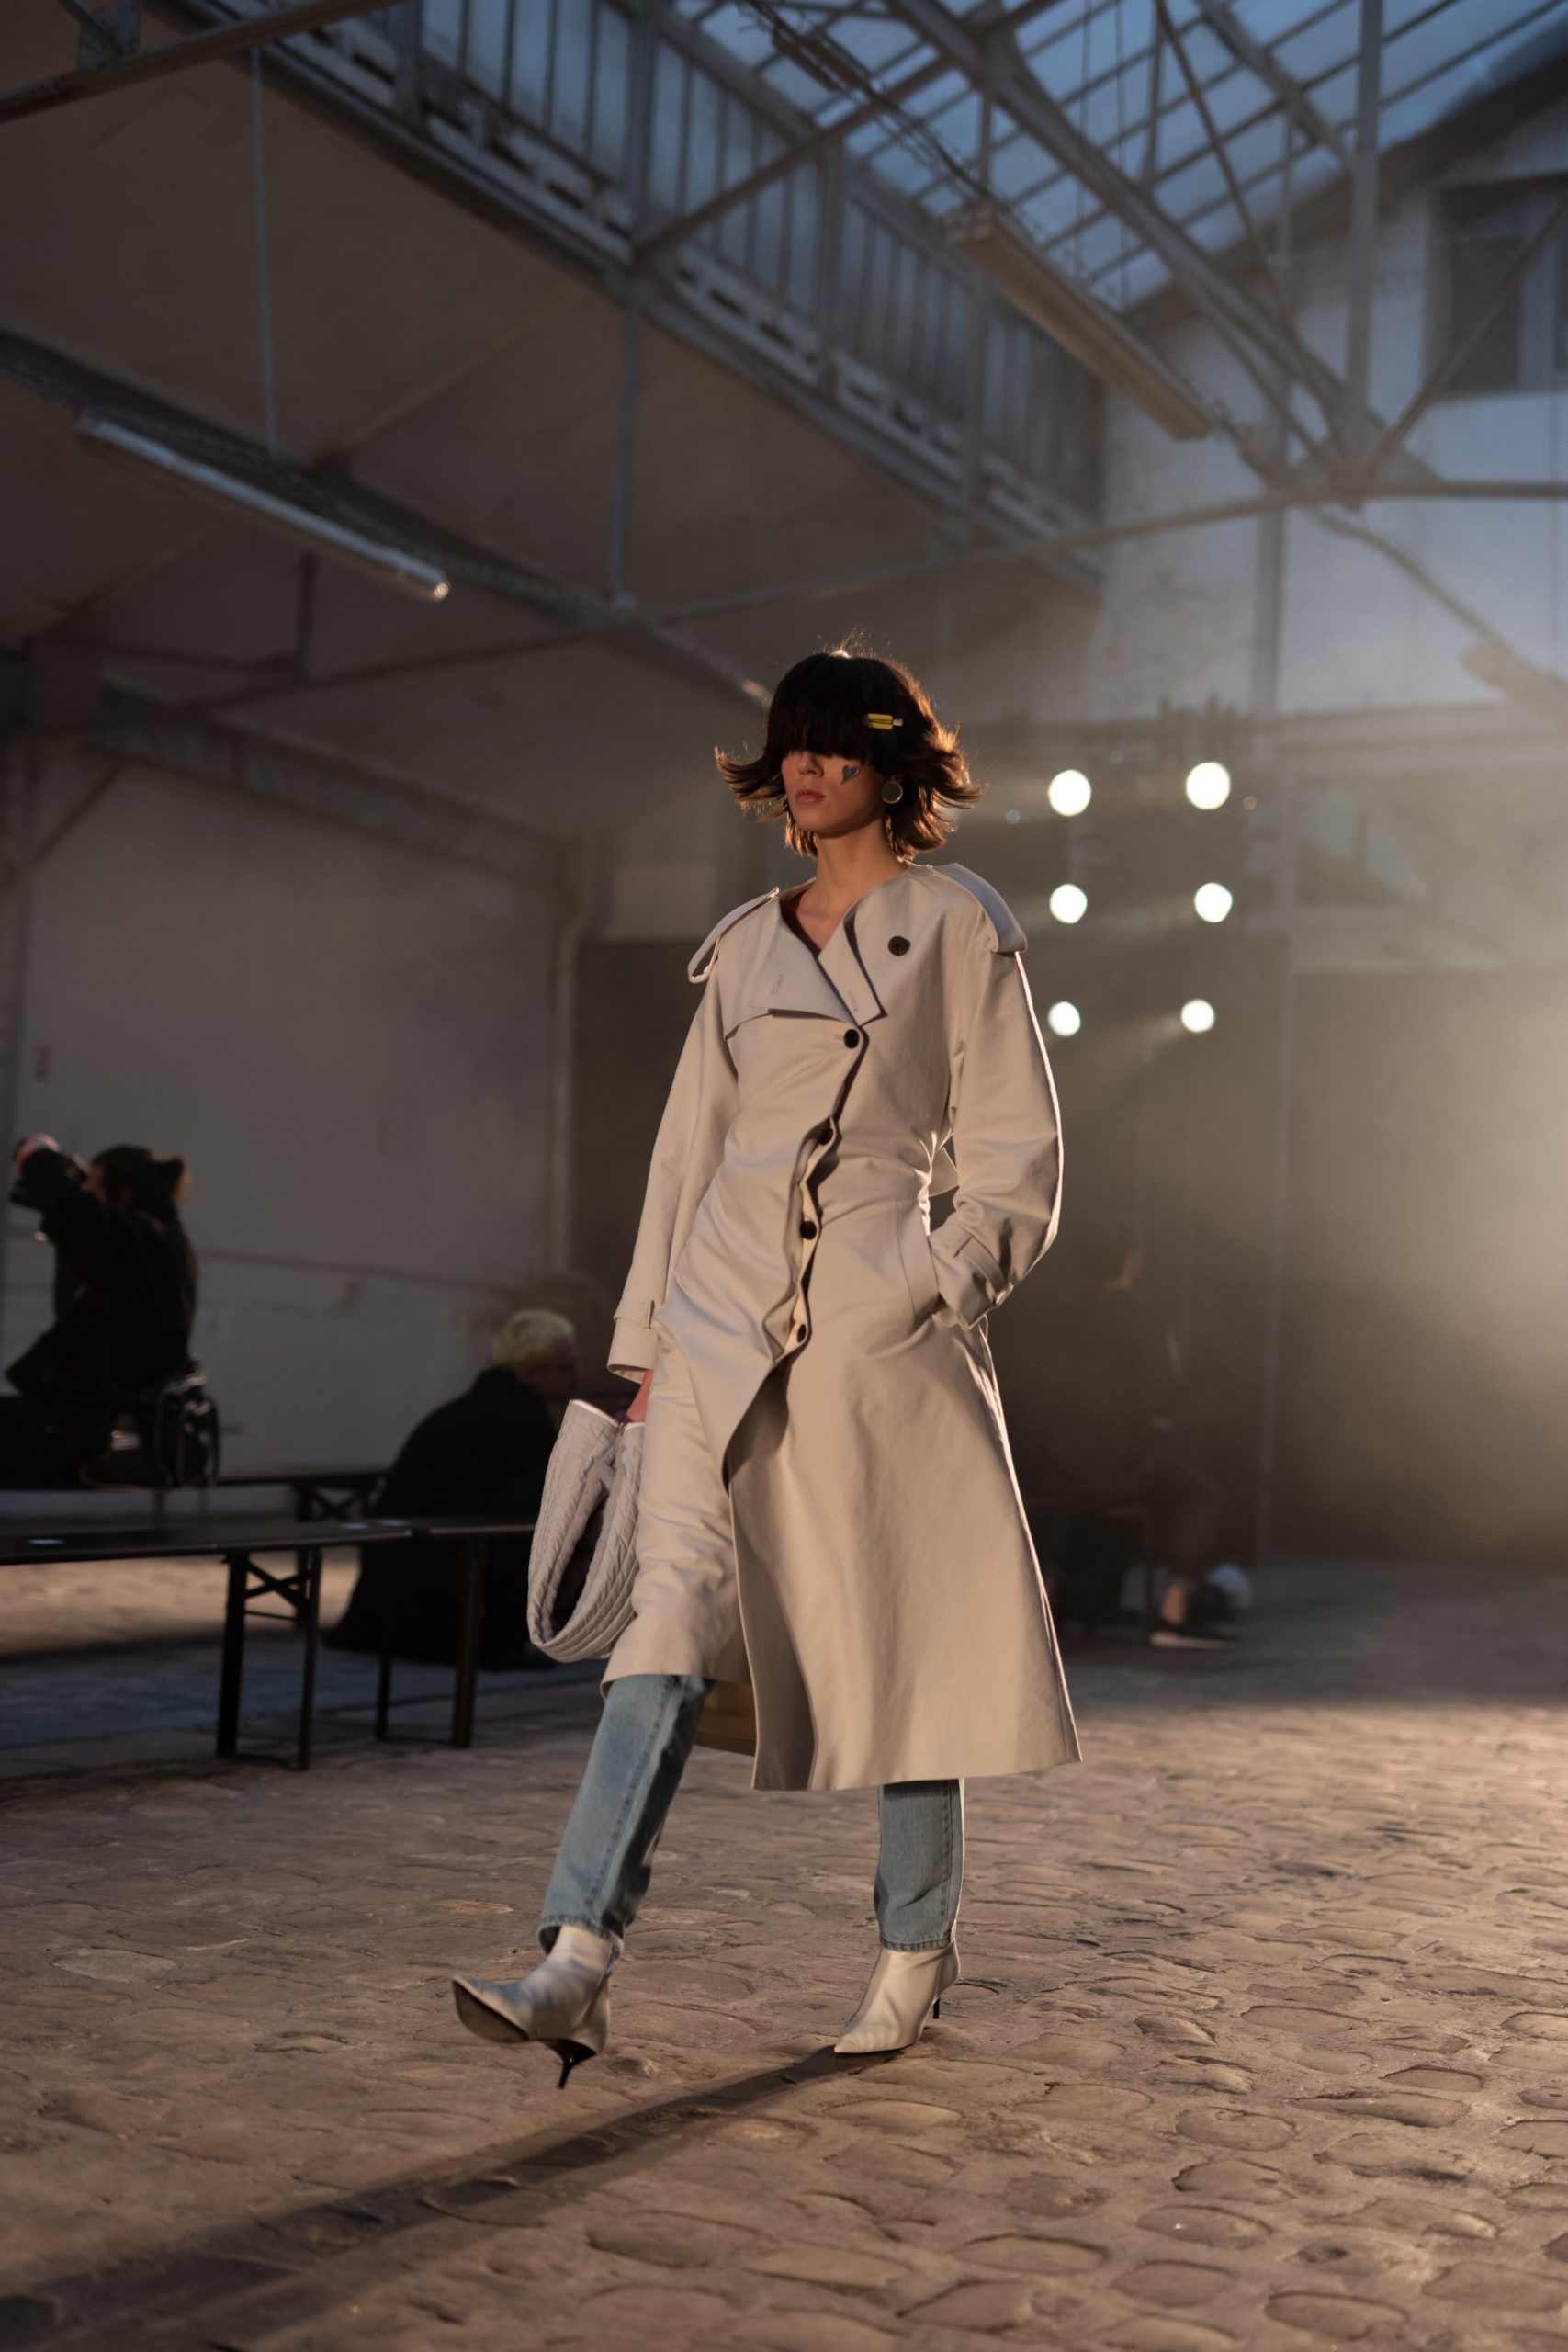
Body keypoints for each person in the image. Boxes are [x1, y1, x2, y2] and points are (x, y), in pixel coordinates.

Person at [452, 647, 1078, 2084]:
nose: (805, 765)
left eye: (836, 742)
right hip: (713, 1319)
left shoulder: (959, 923)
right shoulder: (740, 947)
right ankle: (574, 1959)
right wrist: (640, 1354)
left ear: (891, 764)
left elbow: (1016, 1154)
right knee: (663, 1621)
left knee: (900, 1636)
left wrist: (929, 1284)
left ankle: (914, 1945)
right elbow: (684, 1160)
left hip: (873, 1325)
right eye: (791, 740)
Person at [327, 1308, 577, 1670]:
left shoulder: (485, 1404)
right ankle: (508, 1640)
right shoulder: (519, 1418)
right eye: (566, 1367)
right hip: (432, 1573)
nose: (577, 1376)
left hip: (397, 1579)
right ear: (532, 1372)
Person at [1034, 1221, 1230, 1649]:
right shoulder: (1146, 1315)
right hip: (1120, 1467)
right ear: (1131, 1260)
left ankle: (1049, 1602)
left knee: (1073, 1504)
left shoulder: (1058, 1315)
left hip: (1054, 1467)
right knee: (1200, 1493)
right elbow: (1165, 1391)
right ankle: (1174, 1615)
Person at [0, 1137, 197, 1487]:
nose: (86, 1194)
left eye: (92, 1186)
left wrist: (39, 1155)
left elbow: (76, 1213)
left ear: (125, 1193)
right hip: (91, 1420)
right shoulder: (157, 1242)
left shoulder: (144, 1239)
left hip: (96, 1431)